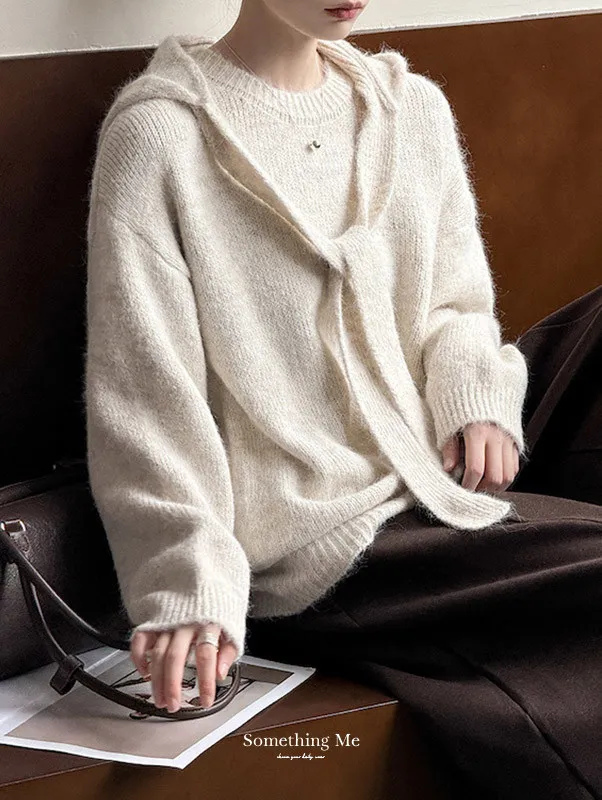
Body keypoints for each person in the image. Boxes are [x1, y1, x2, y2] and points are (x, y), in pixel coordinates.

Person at [84, 1, 602, 796]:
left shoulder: (410, 108)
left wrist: (474, 397)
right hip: (311, 541)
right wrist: (188, 582)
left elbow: (455, 301)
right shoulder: (159, 136)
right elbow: (147, 392)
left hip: (434, 481)